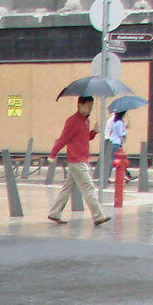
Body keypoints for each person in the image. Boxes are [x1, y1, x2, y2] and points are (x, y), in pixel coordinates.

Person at [48, 96, 108, 226]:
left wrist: (94, 132)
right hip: (76, 159)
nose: (90, 108)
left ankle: (55, 213)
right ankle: (98, 216)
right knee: (88, 187)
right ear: (80, 105)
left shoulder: (85, 121)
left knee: (68, 188)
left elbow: (85, 138)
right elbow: (64, 138)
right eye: (88, 106)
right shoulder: (73, 121)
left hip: (82, 158)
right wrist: (53, 153)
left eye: (91, 106)